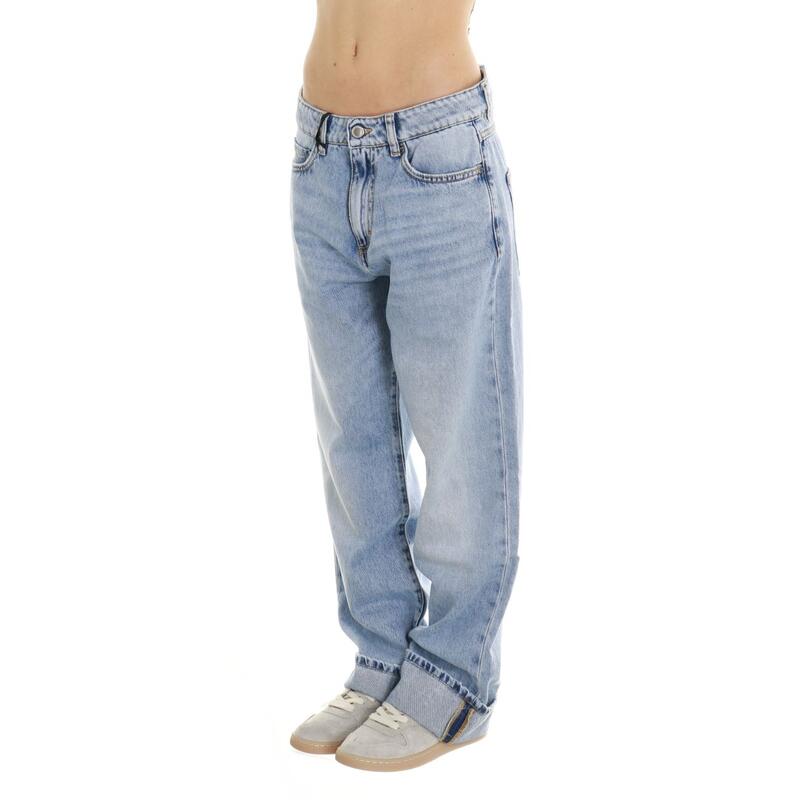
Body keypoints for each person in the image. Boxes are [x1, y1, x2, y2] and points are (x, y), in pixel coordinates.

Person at [288, 0, 523, 771]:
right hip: (320, 153)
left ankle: (454, 674)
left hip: (435, 148)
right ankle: (384, 649)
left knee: (461, 436)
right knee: (351, 437)